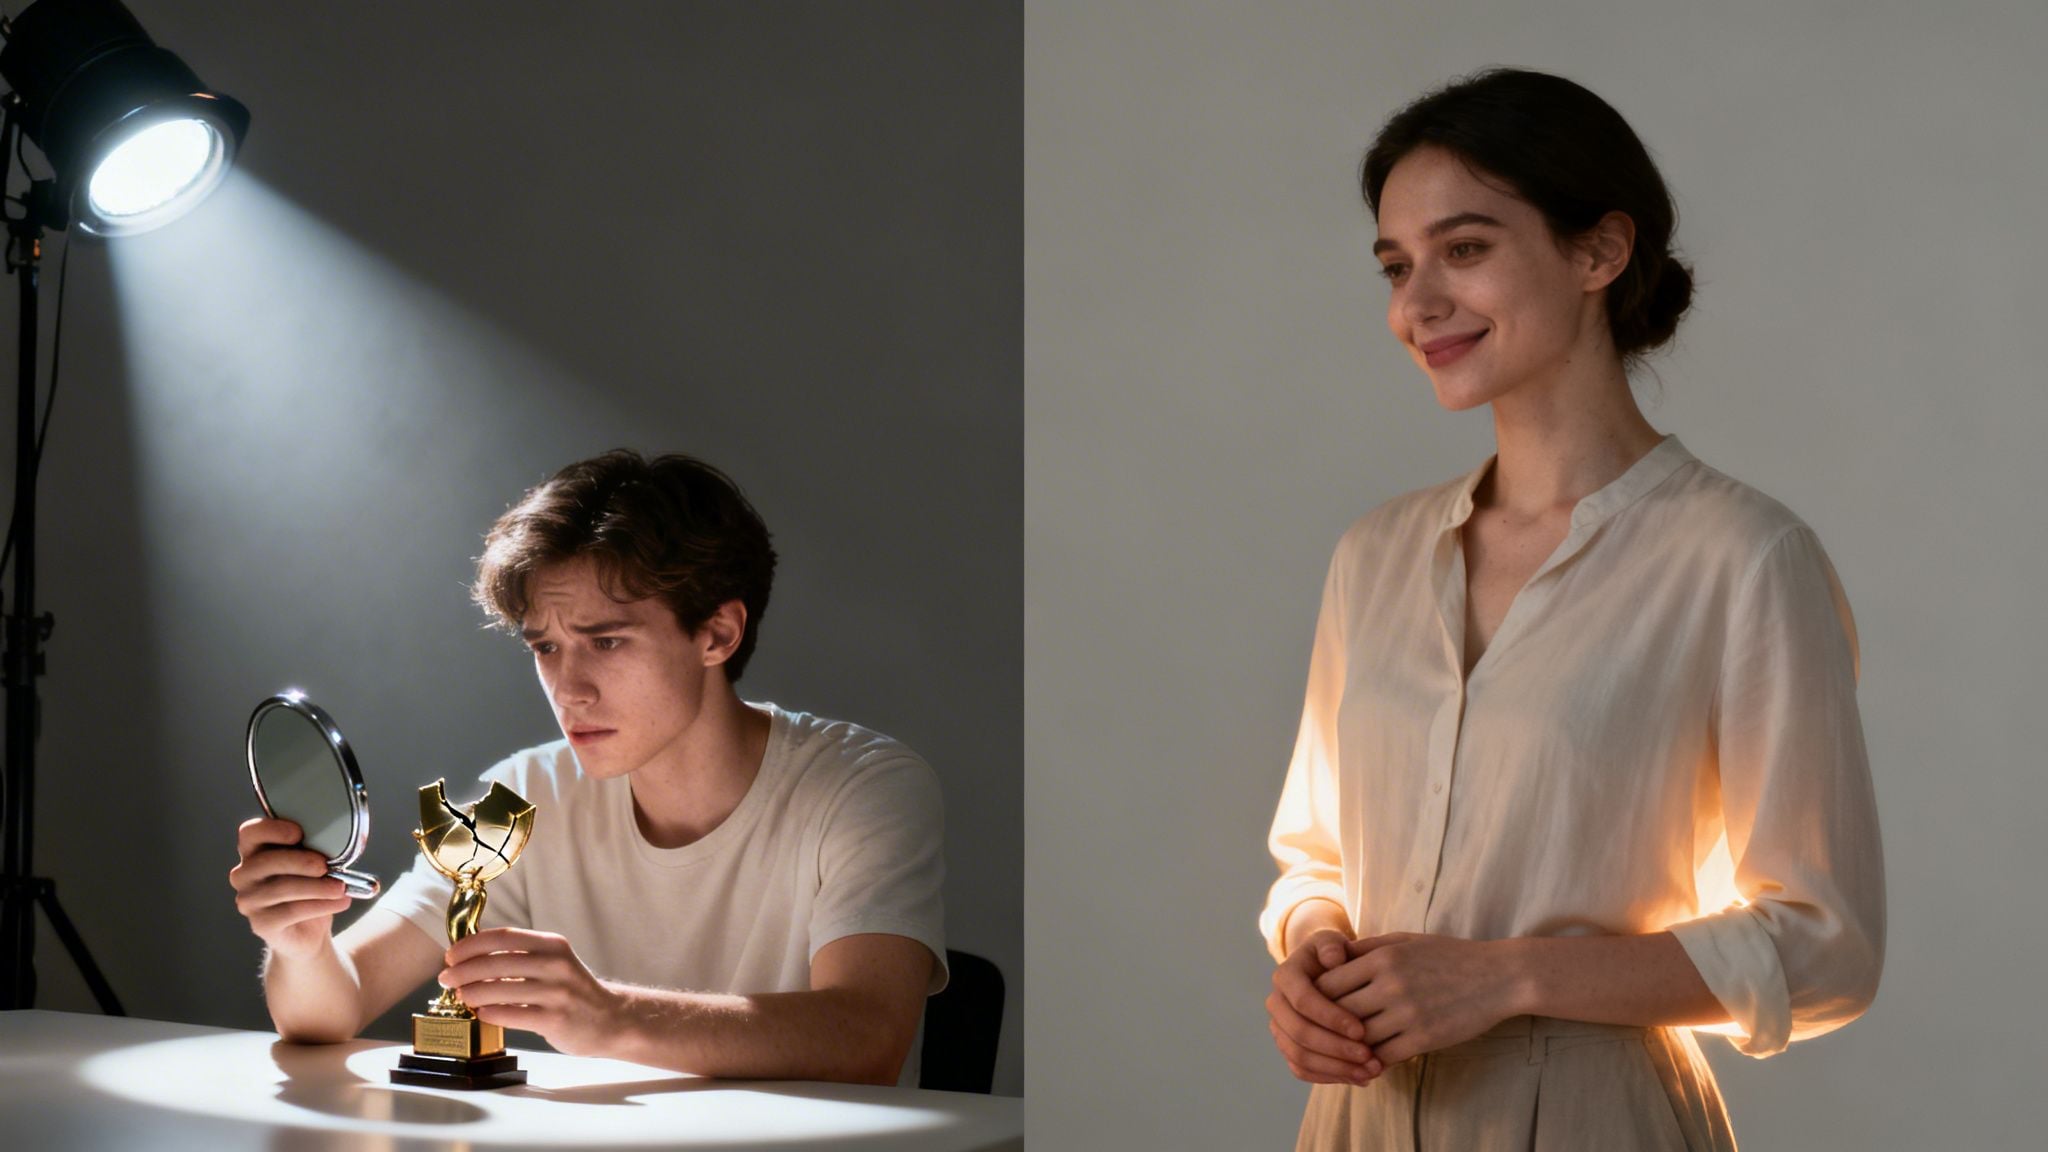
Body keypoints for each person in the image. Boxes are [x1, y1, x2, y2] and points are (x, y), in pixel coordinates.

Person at [1259, 69, 1884, 1149]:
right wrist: (1313, 957)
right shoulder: (1375, 555)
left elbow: (1826, 946)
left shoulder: (1741, 558)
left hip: (1596, 1115)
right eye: (1396, 267)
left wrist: (1508, 977)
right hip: (1356, 1117)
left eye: (1464, 249)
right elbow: (1314, 859)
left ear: (1599, 252)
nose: (1414, 306)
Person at [231, 450, 946, 1086]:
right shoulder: (525, 794)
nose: (568, 690)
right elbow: (333, 1007)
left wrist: (612, 1016)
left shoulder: (863, 786)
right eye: (545, 648)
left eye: (606, 642)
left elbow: (868, 1037)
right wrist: (300, 946)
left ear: (718, 633)